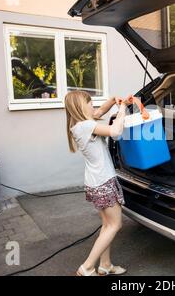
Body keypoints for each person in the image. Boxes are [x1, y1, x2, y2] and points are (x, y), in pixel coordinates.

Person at [64, 90, 132, 276]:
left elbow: (99, 112)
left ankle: (105, 265)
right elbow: (115, 131)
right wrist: (123, 109)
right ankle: (86, 267)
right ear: (81, 106)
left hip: (96, 182)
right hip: (103, 182)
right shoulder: (86, 125)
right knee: (115, 225)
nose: (93, 105)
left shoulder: (78, 124)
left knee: (106, 225)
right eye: (89, 102)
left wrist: (112, 101)